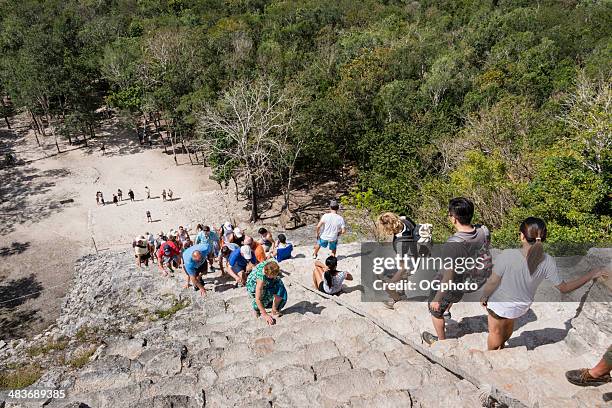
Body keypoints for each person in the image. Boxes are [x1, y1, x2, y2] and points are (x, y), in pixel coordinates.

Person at [479, 217, 609, 350]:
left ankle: (493, 354)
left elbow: (493, 281)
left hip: (501, 305)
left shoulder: (508, 255)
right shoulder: (548, 261)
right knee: (508, 321)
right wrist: (591, 274)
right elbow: (564, 288)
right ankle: (502, 344)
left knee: (495, 332)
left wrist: (484, 296)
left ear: (522, 236)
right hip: (521, 307)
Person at [422, 197, 490, 346]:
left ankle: (441, 342)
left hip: (454, 285)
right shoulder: (484, 231)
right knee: (450, 299)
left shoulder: (452, 244)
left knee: (435, 311)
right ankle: (446, 311)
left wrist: (437, 299)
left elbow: (448, 277)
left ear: (454, 219)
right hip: (470, 279)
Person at [377, 212, 419, 310]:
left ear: (389, 226)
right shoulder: (405, 221)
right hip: (415, 257)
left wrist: (390, 283)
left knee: (381, 275)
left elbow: (403, 268)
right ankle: (401, 293)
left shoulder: (401, 242)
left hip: (410, 264)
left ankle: (397, 299)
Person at [246, 258, 287, 325]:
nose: (275, 276)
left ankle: (274, 310)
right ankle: (256, 308)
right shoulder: (261, 279)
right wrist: (265, 315)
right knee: (264, 298)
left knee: (280, 287)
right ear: (267, 274)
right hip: (252, 286)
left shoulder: (271, 263)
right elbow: (258, 299)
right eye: (273, 276)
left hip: (265, 278)